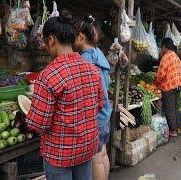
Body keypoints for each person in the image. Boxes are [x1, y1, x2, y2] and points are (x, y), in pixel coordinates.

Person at [25, 10, 104, 180]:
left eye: (45, 43)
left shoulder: (49, 75)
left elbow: (38, 123)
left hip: (60, 153)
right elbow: (99, 105)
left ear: (51, 40)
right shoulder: (92, 69)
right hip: (86, 147)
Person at [74, 14, 111, 180]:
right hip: (105, 114)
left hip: (95, 117)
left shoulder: (85, 59)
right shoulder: (99, 54)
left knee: (95, 160)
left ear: (80, 36)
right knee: (102, 153)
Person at [154, 38, 181, 137]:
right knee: (175, 107)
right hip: (177, 85)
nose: (161, 49)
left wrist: (155, 82)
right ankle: (178, 128)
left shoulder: (165, 58)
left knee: (169, 109)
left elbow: (160, 74)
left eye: (162, 47)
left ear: (165, 46)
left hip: (168, 86)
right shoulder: (176, 56)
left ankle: (173, 131)